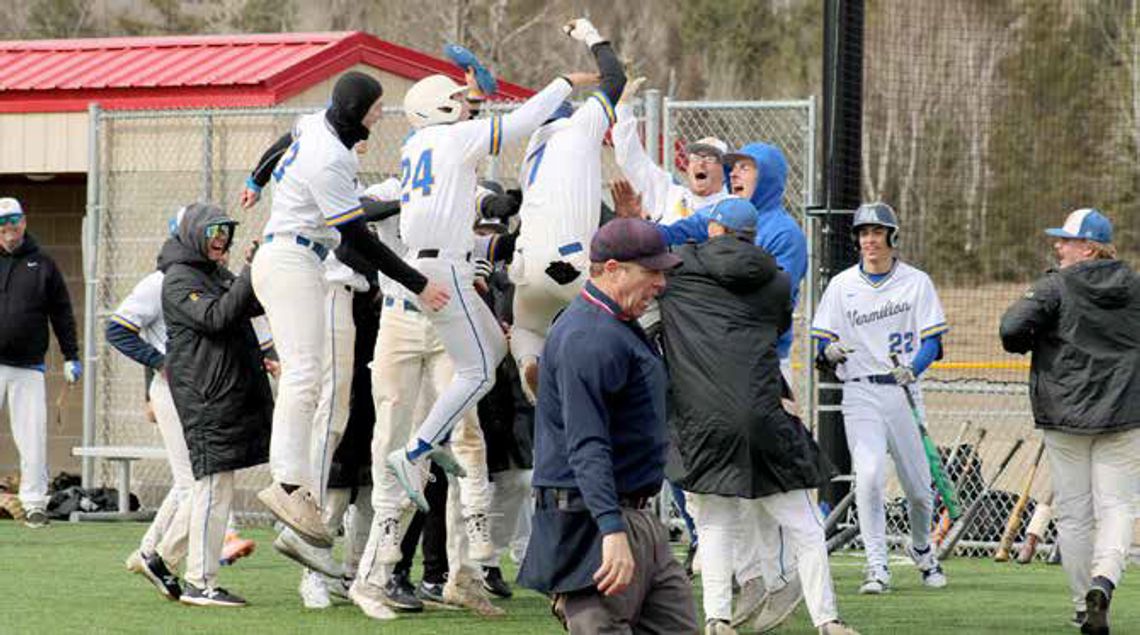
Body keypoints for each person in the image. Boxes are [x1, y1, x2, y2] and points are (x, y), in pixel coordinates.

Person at [385, 59, 598, 513]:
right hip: (445, 268)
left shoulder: (419, 144)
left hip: (437, 263)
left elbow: (468, 137)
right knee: (478, 371)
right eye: (458, 100)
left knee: (494, 353)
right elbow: (519, 123)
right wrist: (563, 82)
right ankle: (416, 449)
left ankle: (432, 435)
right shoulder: (450, 137)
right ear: (439, 107)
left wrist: (476, 101)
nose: (465, 106)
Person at [249, 71, 449, 549]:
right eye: (376, 106)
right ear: (358, 110)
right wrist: (418, 282)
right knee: (303, 375)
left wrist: (254, 179)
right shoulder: (330, 157)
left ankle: (291, 482)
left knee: (309, 376)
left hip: (295, 256)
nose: (380, 114)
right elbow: (356, 237)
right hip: (291, 257)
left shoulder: (316, 123)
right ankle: (289, 485)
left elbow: (285, 136)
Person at [659, 198, 857, 635]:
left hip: (702, 423)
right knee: (804, 525)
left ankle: (717, 620)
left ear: (713, 230)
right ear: (752, 236)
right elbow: (776, 328)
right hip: (765, 414)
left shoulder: (676, 273)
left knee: (714, 525)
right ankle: (828, 620)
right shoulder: (777, 281)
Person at [647, 141, 809, 623]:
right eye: (733, 165)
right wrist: (640, 229)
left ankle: (782, 577)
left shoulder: (784, 231)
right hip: (718, 366)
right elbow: (675, 234)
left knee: (770, 484)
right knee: (722, 484)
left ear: (771, 175)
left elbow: (771, 301)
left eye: (747, 167)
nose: (736, 173)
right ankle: (755, 576)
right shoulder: (721, 215)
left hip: (765, 365)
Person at [518, 218, 697, 633]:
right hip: (591, 521)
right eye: (651, 271)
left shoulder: (614, 322)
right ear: (612, 269)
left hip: (632, 516)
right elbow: (587, 443)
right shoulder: (589, 335)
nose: (661, 283)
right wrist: (611, 530)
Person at [999, 208, 1139, 635]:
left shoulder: (1054, 286)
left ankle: (1084, 606)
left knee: (1076, 515)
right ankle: (1104, 581)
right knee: (1117, 508)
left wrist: (1034, 339)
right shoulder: (1135, 285)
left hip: (1065, 416)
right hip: (1124, 414)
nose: (1057, 246)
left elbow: (1010, 329)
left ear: (1090, 246)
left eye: (1066, 240)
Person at [810, 202, 949, 595]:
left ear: (892, 236)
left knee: (920, 492)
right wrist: (829, 353)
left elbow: (933, 340)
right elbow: (821, 338)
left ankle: (923, 550)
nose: (869, 240)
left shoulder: (916, 282)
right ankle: (877, 568)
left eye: (877, 232)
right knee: (868, 476)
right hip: (860, 392)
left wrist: (915, 368)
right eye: (863, 233)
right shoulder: (842, 285)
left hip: (903, 392)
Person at [158, 203, 274, 607]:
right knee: (211, 488)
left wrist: (262, 266)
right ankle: (199, 582)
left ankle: (159, 559)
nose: (221, 239)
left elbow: (248, 305)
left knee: (214, 487)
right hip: (205, 396)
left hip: (222, 393)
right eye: (213, 233)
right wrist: (247, 272)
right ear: (193, 234)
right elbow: (217, 316)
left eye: (225, 232)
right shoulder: (178, 279)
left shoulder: (210, 272)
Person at [509, 17, 626, 403]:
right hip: (570, 262)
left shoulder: (531, 153)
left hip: (526, 268)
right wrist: (592, 35)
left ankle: (530, 362)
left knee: (528, 331)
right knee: (629, 321)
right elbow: (616, 78)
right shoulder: (578, 128)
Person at [0, 197, 80, 529]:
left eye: (14, 220)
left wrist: (71, 356)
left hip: (28, 365)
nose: (9, 227)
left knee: (32, 436)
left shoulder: (43, 264)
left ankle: (34, 503)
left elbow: (62, 313)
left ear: (25, 222)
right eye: (3, 221)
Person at [612, 81, 730, 224]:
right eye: (695, 157)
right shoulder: (670, 193)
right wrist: (623, 105)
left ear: (724, 171)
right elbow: (631, 159)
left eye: (710, 158)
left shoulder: (731, 207)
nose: (701, 163)